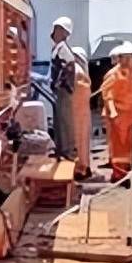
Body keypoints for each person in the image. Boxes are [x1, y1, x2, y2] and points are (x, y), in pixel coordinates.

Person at [100, 41, 132, 181]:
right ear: (120, 58)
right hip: (119, 116)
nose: (129, 60)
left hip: (131, 115)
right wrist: (113, 112)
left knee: (129, 145)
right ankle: (118, 175)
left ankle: (127, 171)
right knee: (118, 146)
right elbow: (108, 95)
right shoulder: (113, 74)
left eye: (131, 57)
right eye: (126, 57)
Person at [48, 17, 76, 165]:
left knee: (65, 120)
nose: (55, 32)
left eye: (59, 29)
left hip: (64, 90)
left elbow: (69, 65)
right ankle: (60, 149)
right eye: (56, 29)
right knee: (58, 119)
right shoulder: (57, 48)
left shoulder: (63, 48)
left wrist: (59, 83)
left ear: (65, 32)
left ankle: (68, 151)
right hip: (59, 90)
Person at [71, 45, 93, 179]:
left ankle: (80, 169)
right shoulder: (81, 71)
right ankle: (85, 166)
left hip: (77, 112)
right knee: (84, 141)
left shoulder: (76, 71)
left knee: (79, 141)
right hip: (82, 111)